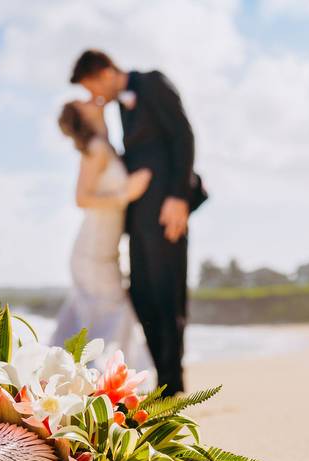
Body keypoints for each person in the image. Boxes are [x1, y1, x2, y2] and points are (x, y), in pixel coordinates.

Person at [70, 49, 196, 395]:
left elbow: (183, 136)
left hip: (167, 212)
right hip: (138, 223)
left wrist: (179, 197)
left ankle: (173, 384)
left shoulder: (152, 83)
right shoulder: (119, 110)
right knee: (142, 295)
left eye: (93, 86)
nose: (95, 97)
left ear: (106, 71)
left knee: (168, 294)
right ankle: (160, 376)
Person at [51, 98, 154, 372]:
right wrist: (126, 193)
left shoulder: (104, 144)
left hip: (104, 249)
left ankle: (80, 382)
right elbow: (81, 198)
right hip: (93, 250)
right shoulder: (96, 149)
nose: (91, 99)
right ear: (82, 117)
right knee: (112, 315)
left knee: (96, 318)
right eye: (83, 102)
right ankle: (102, 383)